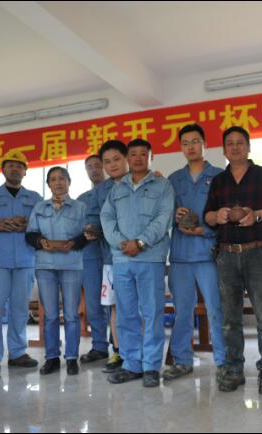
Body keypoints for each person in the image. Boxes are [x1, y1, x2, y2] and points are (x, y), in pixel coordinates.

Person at [203, 126, 262, 395]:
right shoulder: (219, 181)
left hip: (258, 252)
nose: (235, 147)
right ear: (224, 150)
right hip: (226, 255)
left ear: (248, 147)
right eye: (230, 143)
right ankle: (234, 369)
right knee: (230, 318)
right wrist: (217, 215)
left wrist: (257, 215)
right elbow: (207, 216)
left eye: (240, 142)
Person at [100, 139, 175, 388]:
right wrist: (122, 243)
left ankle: (151, 366)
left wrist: (140, 242)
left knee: (152, 313)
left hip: (150, 258)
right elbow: (107, 218)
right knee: (126, 313)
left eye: (144, 154)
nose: (138, 158)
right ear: (127, 158)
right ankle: (132, 364)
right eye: (133, 154)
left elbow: (164, 218)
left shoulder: (163, 185)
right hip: (122, 259)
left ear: (151, 157)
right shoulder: (117, 189)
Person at [164, 124, 226, 382]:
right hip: (180, 256)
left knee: (216, 309)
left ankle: (223, 361)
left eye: (195, 141)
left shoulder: (219, 176)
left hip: (209, 254)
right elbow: (162, 215)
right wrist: (174, 215)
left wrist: (205, 231)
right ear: (181, 147)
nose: (190, 147)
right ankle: (182, 360)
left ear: (205, 144)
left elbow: (226, 215)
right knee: (182, 310)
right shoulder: (173, 180)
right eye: (185, 143)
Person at [0, 149, 42, 376]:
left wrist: (28, 225)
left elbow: (43, 225)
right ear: (3, 169)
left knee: (20, 309)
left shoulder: (35, 198)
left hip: (25, 259)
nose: (15, 169)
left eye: (19, 166)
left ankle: (17, 353)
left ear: (25, 171)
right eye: (10, 165)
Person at [25, 167, 92, 376]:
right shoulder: (39, 207)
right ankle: (51, 357)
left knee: (71, 314)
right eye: (53, 179)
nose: (58, 182)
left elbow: (87, 235)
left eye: (62, 178)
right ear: (48, 184)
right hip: (45, 266)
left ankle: (71, 358)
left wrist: (74, 242)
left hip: (72, 265)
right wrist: (40, 241)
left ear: (69, 181)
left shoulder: (80, 207)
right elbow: (30, 234)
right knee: (51, 315)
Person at [95, 140, 130, 373]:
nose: (112, 165)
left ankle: (137, 351)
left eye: (117, 159)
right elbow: (97, 219)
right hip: (111, 258)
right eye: (107, 162)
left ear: (126, 159)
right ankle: (118, 352)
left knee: (138, 307)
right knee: (115, 307)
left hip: (140, 255)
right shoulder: (101, 190)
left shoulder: (141, 182)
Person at [77, 155, 110, 364]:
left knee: (117, 303)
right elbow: (75, 226)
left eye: (97, 165)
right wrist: (85, 232)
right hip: (89, 255)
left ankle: (120, 346)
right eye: (89, 167)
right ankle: (99, 346)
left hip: (112, 254)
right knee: (93, 303)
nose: (94, 170)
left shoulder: (116, 190)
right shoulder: (81, 199)